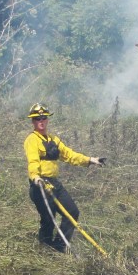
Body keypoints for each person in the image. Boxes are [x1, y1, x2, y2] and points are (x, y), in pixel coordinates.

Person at [23, 103, 105, 252]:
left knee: (72, 212)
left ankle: (59, 247)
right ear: (33, 121)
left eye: (44, 118)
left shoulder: (54, 139)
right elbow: (33, 161)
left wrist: (90, 160)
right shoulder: (31, 140)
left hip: (54, 184)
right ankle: (44, 251)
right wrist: (35, 177)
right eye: (37, 119)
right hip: (39, 185)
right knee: (48, 220)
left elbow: (69, 155)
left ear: (47, 119)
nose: (41, 121)